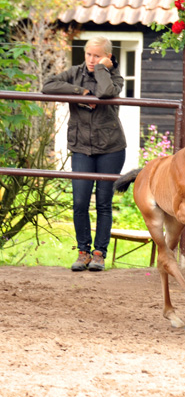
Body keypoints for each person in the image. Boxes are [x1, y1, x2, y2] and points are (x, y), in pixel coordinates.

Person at [42, 37, 126, 272]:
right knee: (79, 202)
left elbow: (107, 91)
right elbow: (47, 85)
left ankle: (99, 254)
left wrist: (102, 69)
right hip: (81, 147)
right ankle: (83, 252)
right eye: (89, 54)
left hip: (111, 147)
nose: (91, 60)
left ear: (107, 57)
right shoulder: (74, 73)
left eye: (97, 56)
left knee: (103, 203)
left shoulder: (114, 75)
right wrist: (81, 92)